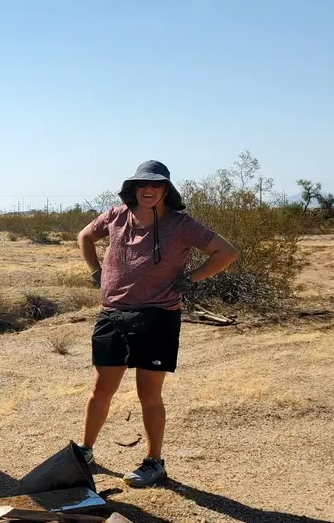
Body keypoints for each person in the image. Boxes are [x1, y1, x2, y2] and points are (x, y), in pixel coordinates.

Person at [77, 160, 239, 487]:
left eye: (155, 185)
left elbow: (226, 252)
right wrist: (96, 272)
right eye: (142, 185)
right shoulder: (117, 215)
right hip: (114, 313)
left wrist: (192, 277)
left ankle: (154, 462)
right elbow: (84, 236)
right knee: (101, 389)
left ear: (166, 189)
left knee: (148, 393)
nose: (148, 190)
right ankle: (86, 452)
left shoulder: (180, 224)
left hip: (158, 315)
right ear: (134, 189)